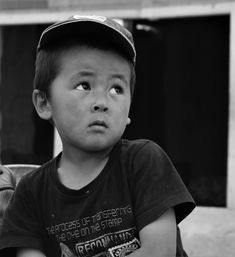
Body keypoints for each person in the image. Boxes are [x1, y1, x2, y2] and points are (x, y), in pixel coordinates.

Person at [0, 15, 195, 257]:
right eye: (84, 85)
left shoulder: (143, 161)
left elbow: (158, 252)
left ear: (129, 110)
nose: (102, 102)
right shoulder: (30, 193)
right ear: (44, 102)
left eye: (116, 89)